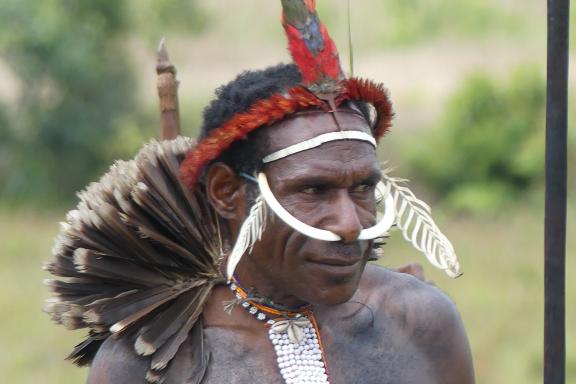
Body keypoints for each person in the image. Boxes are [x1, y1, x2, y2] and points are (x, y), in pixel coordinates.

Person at [45, 1, 474, 383]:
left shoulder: (421, 322)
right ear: (227, 193)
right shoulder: (145, 364)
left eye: (363, 188)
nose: (350, 225)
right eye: (314, 190)